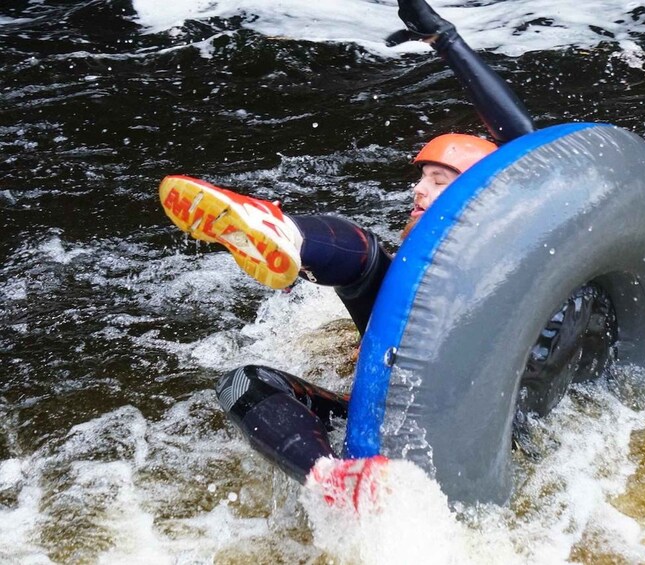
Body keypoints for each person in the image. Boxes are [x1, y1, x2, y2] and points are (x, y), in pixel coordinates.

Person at [160, 0, 614, 488]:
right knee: (242, 382)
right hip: (392, 446)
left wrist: (446, 39)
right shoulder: (404, 291)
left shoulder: (529, 264)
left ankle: (286, 235)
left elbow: (536, 154)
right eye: (423, 179)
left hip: (495, 446)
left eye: (441, 181)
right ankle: (334, 480)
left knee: (368, 261)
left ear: (487, 199)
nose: (419, 190)